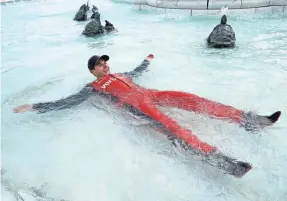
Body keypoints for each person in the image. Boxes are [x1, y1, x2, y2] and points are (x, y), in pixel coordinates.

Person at [13, 54, 281, 177]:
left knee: (195, 100)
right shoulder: (92, 87)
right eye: (99, 64)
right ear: (92, 70)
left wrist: (147, 61)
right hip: (139, 107)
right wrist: (36, 107)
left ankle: (249, 120)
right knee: (173, 127)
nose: (104, 65)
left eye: (105, 62)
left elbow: (137, 72)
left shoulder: (120, 74)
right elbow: (67, 102)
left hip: (152, 94)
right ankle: (221, 161)